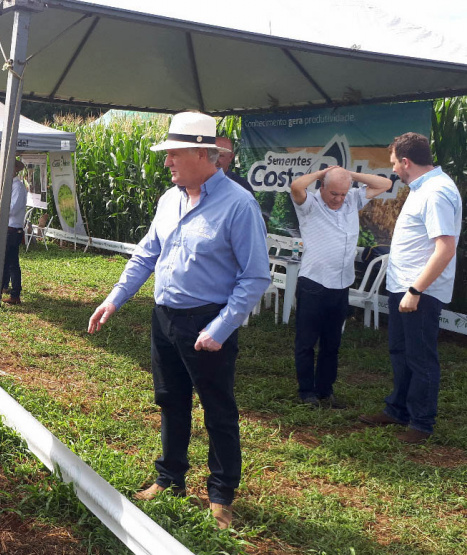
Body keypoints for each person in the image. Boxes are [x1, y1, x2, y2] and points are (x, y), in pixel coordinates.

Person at [87, 112, 269, 530]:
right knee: (170, 400)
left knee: (217, 409)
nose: (166, 162)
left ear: (206, 155)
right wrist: (116, 298)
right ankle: (170, 480)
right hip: (165, 318)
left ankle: (221, 495)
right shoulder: (169, 200)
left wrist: (221, 329)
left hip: (207, 323)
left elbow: (255, 275)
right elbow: (147, 253)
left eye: (174, 154)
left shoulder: (239, 205)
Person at [359, 132, 461, 444]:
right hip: (405, 287)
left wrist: (415, 291)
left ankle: (421, 424)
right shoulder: (422, 188)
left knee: (420, 357)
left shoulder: (436, 192)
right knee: (401, 352)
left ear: (406, 162)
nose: (393, 171)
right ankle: (397, 410)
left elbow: (445, 248)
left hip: (419, 292)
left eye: (394, 164)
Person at [290, 166, 392, 408]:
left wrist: (350, 176)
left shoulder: (352, 199)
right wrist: (323, 172)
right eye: (333, 193)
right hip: (313, 282)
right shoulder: (310, 203)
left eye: (342, 194)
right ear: (322, 188)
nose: (338, 199)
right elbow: (296, 186)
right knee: (306, 342)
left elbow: (384, 184)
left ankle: (325, 391)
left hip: (341, 283)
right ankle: (307, 392)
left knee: (332, 343)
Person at [2, 159, 28, 305]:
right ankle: (9, 290)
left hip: (13, 230)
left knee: (11, 264)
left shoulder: (17, 187)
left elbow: (11, 209)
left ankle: (15, 294)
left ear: (15, 170)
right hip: (9, 229)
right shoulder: (11, 186)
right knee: (8, 262)